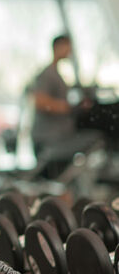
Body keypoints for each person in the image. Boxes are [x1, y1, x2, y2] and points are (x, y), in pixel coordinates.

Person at [30, 34, 78, 179]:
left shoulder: (57, 74)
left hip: (57, 137)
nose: (70, 51)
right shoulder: (47, 74)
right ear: (58, 47)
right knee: (47, 182)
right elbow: (40, 102)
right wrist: (68, 108)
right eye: (67, 46)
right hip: (48, 138)